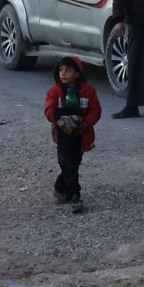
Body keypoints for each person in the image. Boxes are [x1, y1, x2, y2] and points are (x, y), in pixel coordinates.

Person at [43, 56, 101, 214]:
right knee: (68, 163)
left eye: (67, 70)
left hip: (80, 134)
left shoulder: (88, 92)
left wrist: (85, 124)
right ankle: (75, 195)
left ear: (76, 74)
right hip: (62, 134)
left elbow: (95, 110)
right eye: (61, 70)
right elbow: (48, 110)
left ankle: (60, 188)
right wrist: (59, 120)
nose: (63, 73)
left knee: (73, 163)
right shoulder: (54, 92)